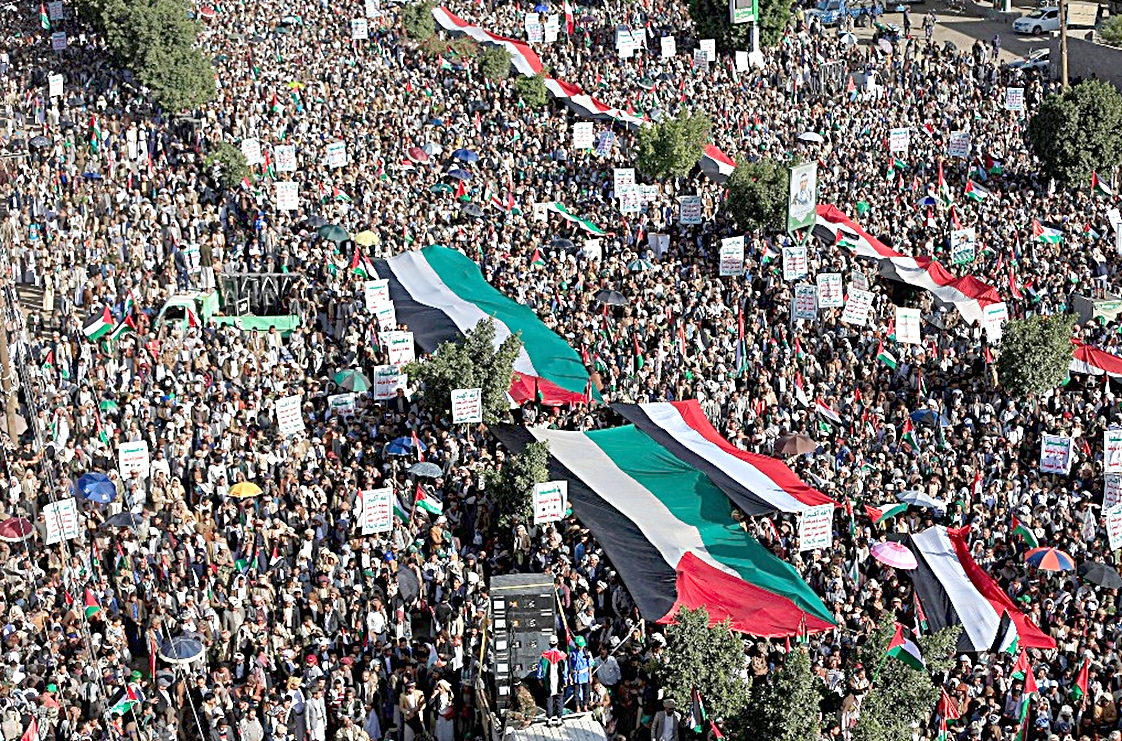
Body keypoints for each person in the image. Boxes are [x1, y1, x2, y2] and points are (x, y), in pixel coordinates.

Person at [537, 635, 568, 727]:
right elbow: (565, 670)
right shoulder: (562, 655)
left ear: (549, 644)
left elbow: (540, 670)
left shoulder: (544, 656)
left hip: (548, 683)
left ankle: (549, 720)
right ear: (557, 644)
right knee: (559, 700)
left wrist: (539, 679)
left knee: (549, 700)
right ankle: (559, 720)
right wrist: (565, 680)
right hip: (559, 683)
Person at [569, 635, 594, 712]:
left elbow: (590, 665)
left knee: (586, 691)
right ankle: (578, 707)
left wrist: (590, 675)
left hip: (585, 674)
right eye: (579, 646)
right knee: (576, 692)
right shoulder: (572, 653)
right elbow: (570, 665)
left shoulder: (587, 653)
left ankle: (585, 706)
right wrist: (570, 676)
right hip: (576, 675)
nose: (580, 648)